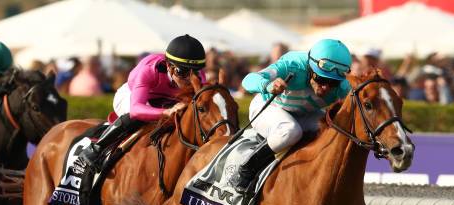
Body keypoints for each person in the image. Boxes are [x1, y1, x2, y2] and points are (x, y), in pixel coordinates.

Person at [71, 34, 207, 182]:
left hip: (167, 100)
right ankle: (96, 149)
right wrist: (166, 112)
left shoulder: (199, 77)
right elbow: (136, 109)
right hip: (135, 97)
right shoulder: (150, 70)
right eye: (183, 72)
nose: (189, 79)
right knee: (137, 118)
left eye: (194, 72)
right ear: (169, 66)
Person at [229, 38, 352, 193]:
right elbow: (248, 80)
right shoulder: (292, 64)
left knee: (333, 132)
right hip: (268, 107)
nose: (325, 87)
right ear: (311, 69)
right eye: (321, 79)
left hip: (303, 114)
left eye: (332, 82)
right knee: (290, 130)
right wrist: (268, 85)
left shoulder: (343, 87)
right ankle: (245, 171)